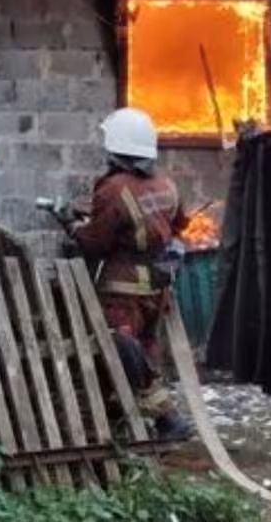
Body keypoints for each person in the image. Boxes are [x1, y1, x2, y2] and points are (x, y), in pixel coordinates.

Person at [66, 107, 195, 443]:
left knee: (121, 348)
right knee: (145, 349)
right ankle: (121, 419)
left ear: (116, 147)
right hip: (157, 288)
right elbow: (177, 224)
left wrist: (75, 229)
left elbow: (96, 243)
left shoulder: (113, 189)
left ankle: (168, 420)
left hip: (122, 290)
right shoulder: (167, 184)